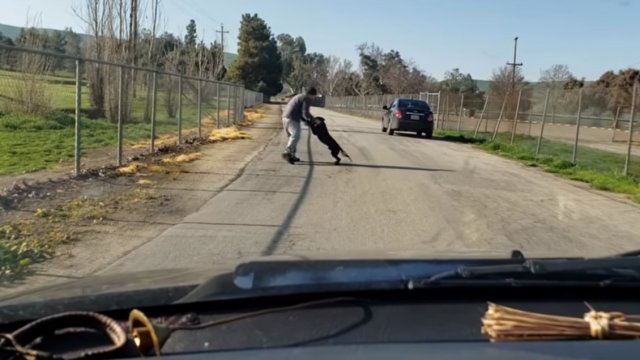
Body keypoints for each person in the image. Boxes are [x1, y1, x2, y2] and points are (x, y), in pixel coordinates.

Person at [281, 87, 318, 164]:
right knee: (296, 135)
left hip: (285, 117)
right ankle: (287, 152)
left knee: (292, 137)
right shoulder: (306, 98)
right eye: (314, 96)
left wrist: (306, 120)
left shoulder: (300, 96)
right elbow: (305, 113)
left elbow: (301, 113)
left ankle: (292, 155)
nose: (314, 98)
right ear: (312, 95)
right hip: (292, 118)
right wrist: (313, 120)